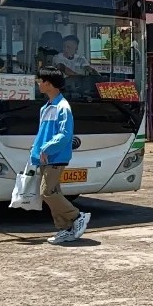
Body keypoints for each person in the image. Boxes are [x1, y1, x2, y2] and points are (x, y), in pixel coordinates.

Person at [30, 66, 91, 244]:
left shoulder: (63, 107)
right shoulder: (46, 107)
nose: (38, 84)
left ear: (48, 84)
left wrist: (47, 148)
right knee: (53, 192)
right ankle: (65, 229)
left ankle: (77, 216)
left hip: (56, 157)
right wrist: (36, 151)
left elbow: (65, 134)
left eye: (40, 81)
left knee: (47, 193)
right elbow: (42, 134)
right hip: (45, 157)